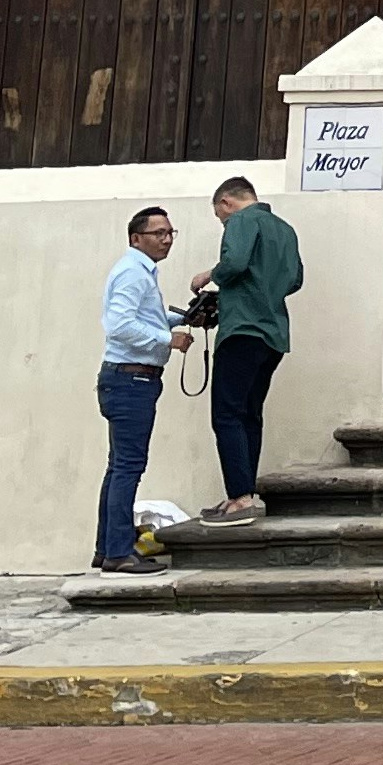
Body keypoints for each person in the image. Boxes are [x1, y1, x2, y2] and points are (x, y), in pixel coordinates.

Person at [197, 174, 303, 522]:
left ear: (226, 202)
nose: (223, 222)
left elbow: (236, 263)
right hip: (274, 331)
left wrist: (209, 275)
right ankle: (246, 492)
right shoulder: (284, 229)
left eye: (220, 217)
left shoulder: (241, 221)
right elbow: (295, 279)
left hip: (242, 328)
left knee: (226, 413)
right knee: (250, 413)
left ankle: (239, 497)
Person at [95, 203, 194, 575]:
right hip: (131, 378)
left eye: (170, 233)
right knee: (128, 467)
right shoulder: (134, 273)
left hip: (127, 378)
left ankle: (107, 547)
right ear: (137, 238)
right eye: (158, 234)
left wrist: (182, 318)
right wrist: (168, 338)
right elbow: (119, 325)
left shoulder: (139, 271)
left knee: (118, 466)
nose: (166, 240)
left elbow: (142, 316)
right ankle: (119, 552)